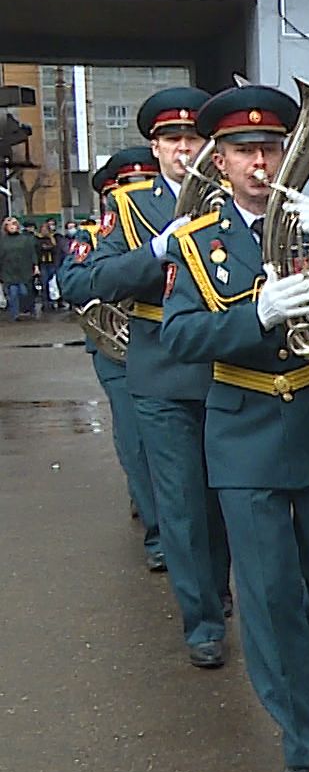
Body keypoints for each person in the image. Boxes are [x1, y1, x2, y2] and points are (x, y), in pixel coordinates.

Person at [160, 83, 309, 772]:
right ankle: (303, 738)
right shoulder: (195, 242)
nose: (260, 161)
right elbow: (182, 337)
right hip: (245, 427)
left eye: (271, 148)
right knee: (270, 591)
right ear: (219, 164)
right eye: (245, 151)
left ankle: (288, 672)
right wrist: (256, 312)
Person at [83, 86, 232, 670]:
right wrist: (157, 251)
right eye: (174, 140)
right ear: (155, 145)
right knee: (180, 504)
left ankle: (217, 591)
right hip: (163, 372)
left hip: (225, 366)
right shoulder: (126, 206)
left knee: (225, 493)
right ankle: (201, 622)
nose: (184, 150)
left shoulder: (233, 199)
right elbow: (86, 281)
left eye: (195, 139)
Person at [59, 148, 166, 571]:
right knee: (137, 441)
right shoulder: (96, 232)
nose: (139, 193)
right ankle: (159, 535)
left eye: (146, 183)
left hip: (166, 342)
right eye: (128, 187)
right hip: (117, 348)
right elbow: (73, 282)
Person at [0, 216, 36, 320]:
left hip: (23, 270)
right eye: (9, 225)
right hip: (8, 271)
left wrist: (35, 265)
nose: (12, 227)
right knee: (13, 293)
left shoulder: (25, 239)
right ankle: (14, 314)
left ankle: (25, 309)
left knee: (24, 292)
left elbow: (31, 253)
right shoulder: (2, 241)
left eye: (14, 224)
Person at [34, 220, 60, 311]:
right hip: (43, 264)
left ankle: (53, 301)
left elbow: (57, 251)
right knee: (44, 284)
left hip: (52, 263)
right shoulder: (37, 240)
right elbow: (36, 252)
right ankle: (45, 303)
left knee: (53, 284)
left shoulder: (53, 239)